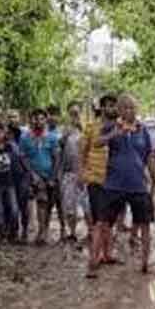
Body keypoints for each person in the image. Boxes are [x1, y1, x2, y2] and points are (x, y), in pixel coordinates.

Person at [93, 94, 155, 276]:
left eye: (133, 108)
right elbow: (96, 143)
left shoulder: (143, 130)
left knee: (145, 225)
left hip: (138, 185)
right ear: (119, 110)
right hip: (113, 184)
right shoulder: (111, 127)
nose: (130, 111)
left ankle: (145, 263)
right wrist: (115, 133)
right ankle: (94, 262)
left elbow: (149, 157)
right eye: (126, 108)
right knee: (102, 223)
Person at [18, 108, 61, 245]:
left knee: (48, 205)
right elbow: (23, 158)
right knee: (39, 202)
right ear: (31, 120)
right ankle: (38, 233)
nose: (38, 121)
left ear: (45, 120)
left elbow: (56, 158)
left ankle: (43, 230)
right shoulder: (25, 138)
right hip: (32, 176)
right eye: (35, 118)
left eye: (41, 118)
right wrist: (32, 174)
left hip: (49, 175)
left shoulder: (52, 137)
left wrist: (53, 177)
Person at [84, 94, 118, 265]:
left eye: (115, 105)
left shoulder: (121, 127)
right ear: (102, 107)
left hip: (114, 179)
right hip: (95, 177)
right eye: (109, 105)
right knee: (98, 219)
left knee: (110, 220)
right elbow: (83, 150)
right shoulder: (91, 127)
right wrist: (81, 173)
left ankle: (108, 253)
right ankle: (95, 256)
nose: (112, 109)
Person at [58, 101, 89, 244]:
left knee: (88, 206)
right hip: (69, 173)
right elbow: (60, 148)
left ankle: (91, 232)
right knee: (69, 207)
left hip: (85, 173)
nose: (75, 115)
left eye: (77, 112)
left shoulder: (87, 129)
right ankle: (72, 233)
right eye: (72, 113)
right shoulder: (64, 131)